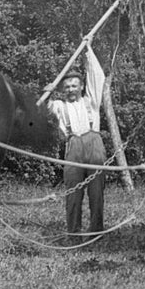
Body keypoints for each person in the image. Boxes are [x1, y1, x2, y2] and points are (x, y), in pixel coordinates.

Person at [49, 45, 108, 235]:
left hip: (95, 148)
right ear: (62, 90)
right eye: (66, 87)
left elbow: (97, 77)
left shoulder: (91, 101)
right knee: (73, 195)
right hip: (73, 150)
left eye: (74, 85)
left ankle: (96, 231)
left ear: (81, 87)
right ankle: (73, 233)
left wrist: (88, 52)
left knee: (96, 193)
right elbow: (41, 107)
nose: (71, 89)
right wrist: (48, 91)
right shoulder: (59, 106)